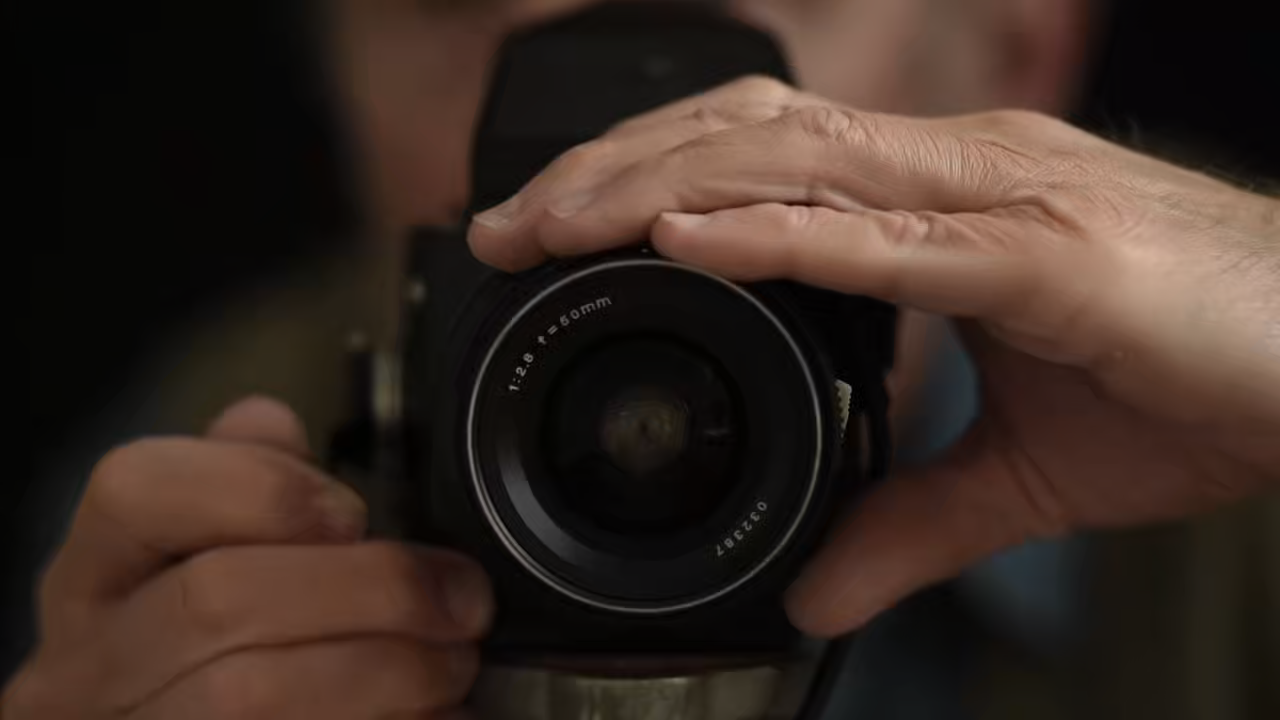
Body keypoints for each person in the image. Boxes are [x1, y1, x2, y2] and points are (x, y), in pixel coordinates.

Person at [7, 0, 1279, 718]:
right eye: (449, 9)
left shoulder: (1238, 434)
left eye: (692, 17)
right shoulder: (215, 478)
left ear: (1008, 52)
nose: (594, 150)